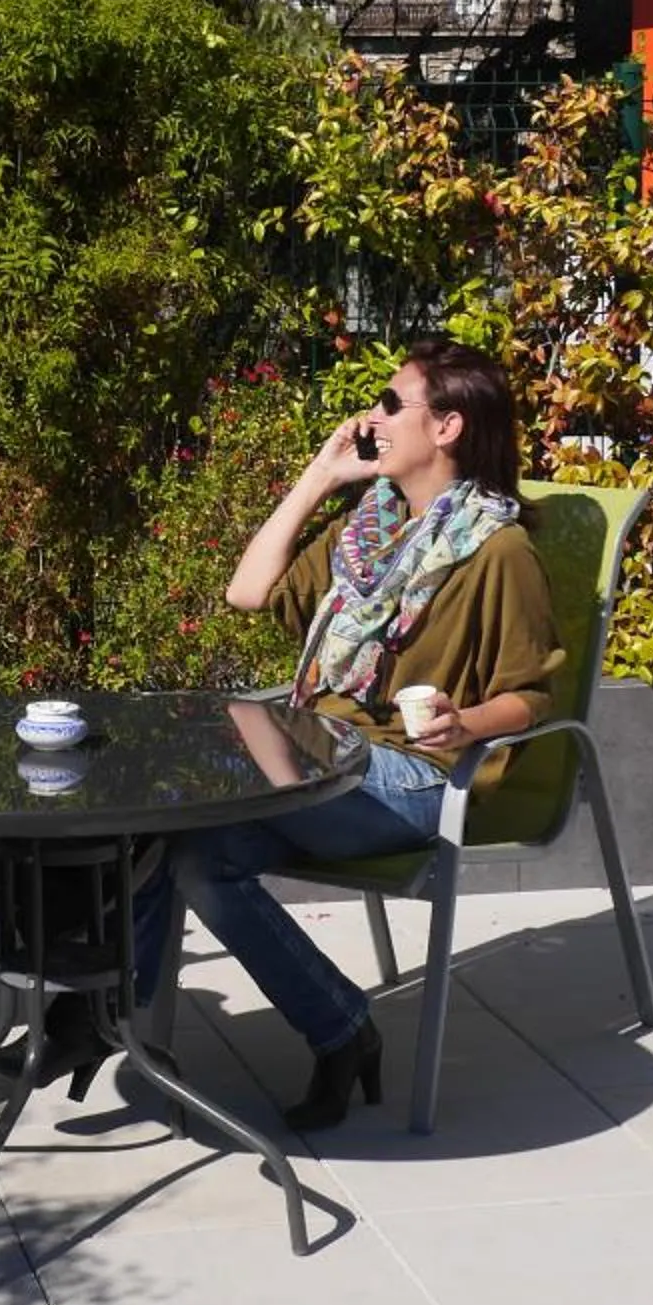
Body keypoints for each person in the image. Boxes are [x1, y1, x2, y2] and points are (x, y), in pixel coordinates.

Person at [135, 335, 560, 1130]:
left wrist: (464, 722)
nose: (375, 416)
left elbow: (531, 697)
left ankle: (94, 1015)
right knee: (193, 852)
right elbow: (247, 591)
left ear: (448, 427)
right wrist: (320, 477)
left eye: (394, 403)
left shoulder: (498, 551)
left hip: (416, 772)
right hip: (321, 751)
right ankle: (339, 1030)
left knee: (192, 794)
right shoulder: (367, 534)